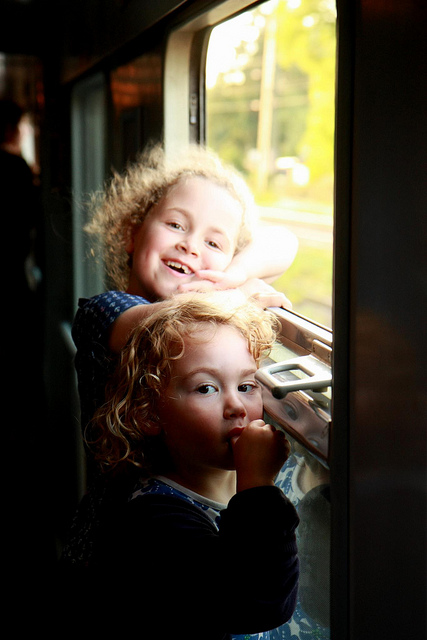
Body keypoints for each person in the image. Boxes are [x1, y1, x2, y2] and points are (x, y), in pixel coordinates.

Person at [61, 143, 298, 565]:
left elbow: (285, 242)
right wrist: (237, 295)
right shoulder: (104, 312)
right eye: (175, 224)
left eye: (213, 242)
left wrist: (232, 275)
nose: (190, 246)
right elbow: (172, 321)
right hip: (116, 542)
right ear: (131, 233)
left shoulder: (223, 291)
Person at [77, 293, 299, 639]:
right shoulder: (154, 520)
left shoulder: (240, 481)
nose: (237, 407)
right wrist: (257, 483)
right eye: (206, 388)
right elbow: (258, 602)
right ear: (149, 413)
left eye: (246, 386)